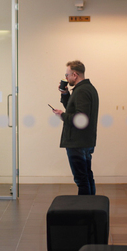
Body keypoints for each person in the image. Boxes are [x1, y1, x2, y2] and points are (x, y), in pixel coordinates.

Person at [52, 60, 99, 195]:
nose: (65, 78)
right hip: (84, 140)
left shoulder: (82, 91)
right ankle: (91, 207)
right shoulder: (85, 89)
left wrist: (62, 115)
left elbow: (80, 118)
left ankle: (85, 209)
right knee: (86, 175)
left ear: (75, 74)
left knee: (81, 179)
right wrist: (65, 94)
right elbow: (75, 110)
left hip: (78, 141)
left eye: (67, 75)